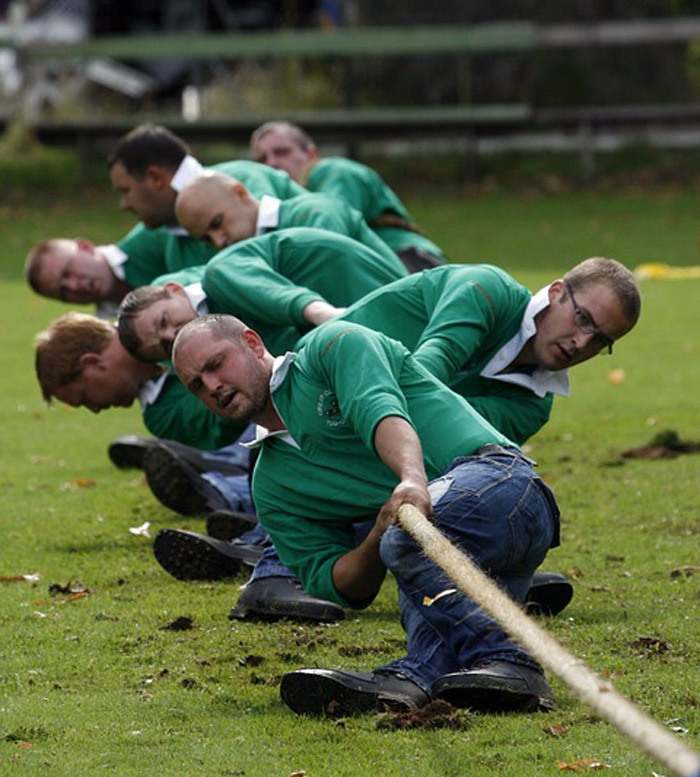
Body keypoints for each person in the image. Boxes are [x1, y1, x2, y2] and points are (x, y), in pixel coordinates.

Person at [172, 314, 562, 716]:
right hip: (443, 554)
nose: (213, 386)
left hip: (506, 486)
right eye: (197, 385)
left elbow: (380, 409)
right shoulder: (271, 486)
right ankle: (415, 680)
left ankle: (511, 661)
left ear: (253, 343)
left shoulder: (333, 346)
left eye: (216, 365)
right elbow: (340, 585)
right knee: (406, 552)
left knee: (407, 540)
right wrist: (376, 533)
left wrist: (411, 481)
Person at [32, 311, 346, 624]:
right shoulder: (160, 412)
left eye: (86, 398)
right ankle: (241, 511)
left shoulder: (163, 313)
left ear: (91, 363)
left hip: (308, 393)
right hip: (273, 434)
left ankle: (233, 506)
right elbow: (230, 419)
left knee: (284, 447)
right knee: (271, 451)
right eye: (195, 383)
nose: (96, 409)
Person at [331, 257, 641, 444]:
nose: (582, 343)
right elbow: (423, 374)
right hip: (309, 386)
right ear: (556, 292)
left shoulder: (532, 409)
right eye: (582, 318)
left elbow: (443, 434)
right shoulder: (486, 290)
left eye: (601, 341)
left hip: (344, 447)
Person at [25, 124, 307, 311]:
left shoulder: (240, 180)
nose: (123, 205)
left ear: (155, 178)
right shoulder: (175, 239)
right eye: (63, 292)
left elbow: (281, 262)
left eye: (126, 191)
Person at [116, 226, 407, 363]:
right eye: (164, 346)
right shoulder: (214, 338)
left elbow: (282, 298)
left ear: (174, 289)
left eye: (163, 321)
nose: (171, 335)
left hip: (338, 280)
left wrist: (328, 316)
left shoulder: (218, 275)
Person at [250, 120, 447, 272]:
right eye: (262, 159)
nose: (272, 163)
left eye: (281, 152)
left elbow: (331, 230)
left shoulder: (334, 170)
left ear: (311, 154)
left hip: (408, 262)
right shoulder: (290, 204)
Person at [174, 169, 407, 277]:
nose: (218, 241)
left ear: (240, 192)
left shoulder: (315, 213)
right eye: (205, 238)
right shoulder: (248, 257)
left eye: (216, 223)